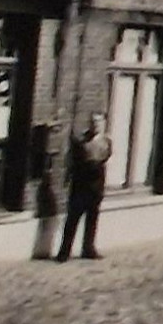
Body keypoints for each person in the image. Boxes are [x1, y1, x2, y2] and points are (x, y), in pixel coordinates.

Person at [56, 112, 112, 262]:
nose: (96, 125)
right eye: (94, 122)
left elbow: (105, 158)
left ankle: (88, 248)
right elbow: (74, 162)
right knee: (72, 220)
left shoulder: (106, 142)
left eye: (99, 122)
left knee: (92, 220)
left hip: (96, 187)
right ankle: (64, 251)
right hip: (81, 186)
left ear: (104, 124)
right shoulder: (81, 141)